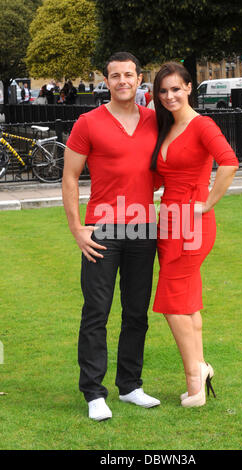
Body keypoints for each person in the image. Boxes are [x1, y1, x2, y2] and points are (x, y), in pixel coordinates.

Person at [62, 51, 160, 422]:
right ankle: (94, 392)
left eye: (129, 75)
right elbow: (70, 177)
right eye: (115, 76)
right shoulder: (88, 122)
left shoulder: (155, 120)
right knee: (97, 311)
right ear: (106, 81)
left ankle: (131, 386)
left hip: (142, 227)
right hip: (102, 229)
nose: (122, 81)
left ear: (139, 79)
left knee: (137, 312)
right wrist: (77, 228)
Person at [151, 62, 239, 408]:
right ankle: (199, 370)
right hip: (168, 222)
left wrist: (206, 203)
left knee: (173, 302)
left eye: (176, 88)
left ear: (189, 88)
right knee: (185, 299)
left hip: (192, 223)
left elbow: (229, 162)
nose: (169, 95)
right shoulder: (167, 127)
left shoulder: (203, 124)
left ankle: (195, 379)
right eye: (163, 90)